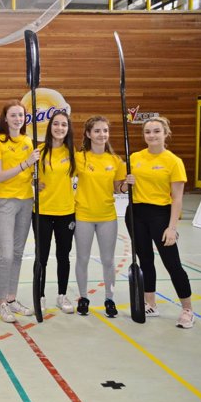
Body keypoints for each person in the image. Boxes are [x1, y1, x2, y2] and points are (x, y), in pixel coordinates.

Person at [123, 117, 195, 328]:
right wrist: (127, 184)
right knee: (145, 260)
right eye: (147, 132)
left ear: (165, 133)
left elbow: (177, 198)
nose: (151, 135)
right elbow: (124, 187)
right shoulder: (135, 157)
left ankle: (187, 310)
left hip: (160, 215)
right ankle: (151, 304)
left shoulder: (173, 161)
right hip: (135, 213)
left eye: (156, 131)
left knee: (172, 263)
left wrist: (172, 228)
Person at [0, 100, 39, 323]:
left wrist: (38, 181)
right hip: (6, 202)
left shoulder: (28, 141)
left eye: (21, 115)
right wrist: (26, 163)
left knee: (18, 254)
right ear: (5, 118)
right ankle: (1, 302)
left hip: (26, 201)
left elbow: (30, 174)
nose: (18, 119)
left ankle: (11, 299)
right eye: (13, 115)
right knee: (7, 254)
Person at [74, 115, 126, 317]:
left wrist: (125, 185)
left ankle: (109, 298)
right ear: (88, 134)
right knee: (83, 258)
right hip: (83, 215)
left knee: (108, 260)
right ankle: (83, 297)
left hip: (107, 216)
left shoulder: (115, 161)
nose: (102, 134)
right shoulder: (79, 158)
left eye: (105, 130)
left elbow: (118, 189)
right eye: (97, 130)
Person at [35, 110, 76, 314]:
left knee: (63, 255)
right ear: (50, 127)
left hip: (66, 212)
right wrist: (33, 184)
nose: (60, 128)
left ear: (68, 129)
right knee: (41, 256)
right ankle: (40, 295)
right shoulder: (39, 151)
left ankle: (62, 295)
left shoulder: (73, 153)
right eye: (56, 124)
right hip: (42, 211)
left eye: (64, 125)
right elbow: (25, 175)